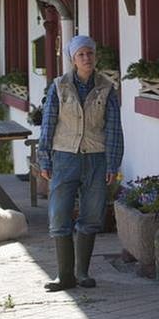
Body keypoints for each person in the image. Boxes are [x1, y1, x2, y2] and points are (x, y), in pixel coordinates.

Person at [38, 35, 124, 292]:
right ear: (73, 59)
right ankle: (64, 276)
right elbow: (48, 124)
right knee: (59, 212)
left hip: (96, 157)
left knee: (92, 213)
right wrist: (44, 158)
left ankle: (82, 273)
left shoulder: (107, 88)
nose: (86, 58)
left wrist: (112, 164)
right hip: (64, 156)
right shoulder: (59, 86)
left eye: (90, 54)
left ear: (94, 57)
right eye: (81, 55)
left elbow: (114, 130)